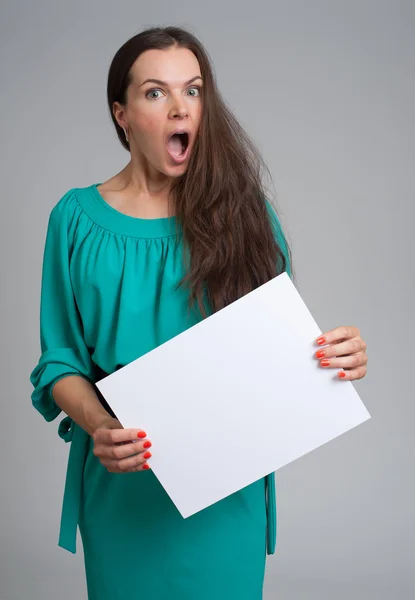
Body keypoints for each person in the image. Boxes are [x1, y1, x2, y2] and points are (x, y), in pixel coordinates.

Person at [29, 25, 368, 600]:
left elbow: (281, 344)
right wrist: (101, 427)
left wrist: (339, 354)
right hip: (124, 486)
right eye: (156, 92)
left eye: (194, 90)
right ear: (122, 113)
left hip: (226, 488)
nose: (181, 107)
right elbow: (60, 361)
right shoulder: (76, 219)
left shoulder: (244, 211)